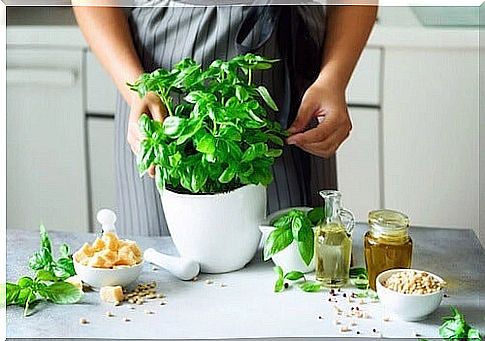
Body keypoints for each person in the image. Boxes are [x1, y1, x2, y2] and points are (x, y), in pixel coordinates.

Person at [73, 3, 377, 236]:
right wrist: (137, 89)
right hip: (164, 80)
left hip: (293, 71)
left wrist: (334, 79)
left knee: (296, 271)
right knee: (162, 284)